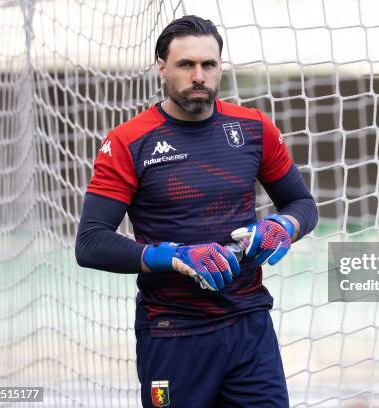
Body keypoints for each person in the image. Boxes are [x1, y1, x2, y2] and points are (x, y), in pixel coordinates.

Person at [74, 15, 318, 408]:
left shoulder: (254, 129)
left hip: (249, 326)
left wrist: (282, 227)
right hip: (172, 333)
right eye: (186, 65)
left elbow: (302, 205)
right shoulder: (129, 142)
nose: (199, 75)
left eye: (209, 64)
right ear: (161, 67)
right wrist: (174, 256)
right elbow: (90, 243)